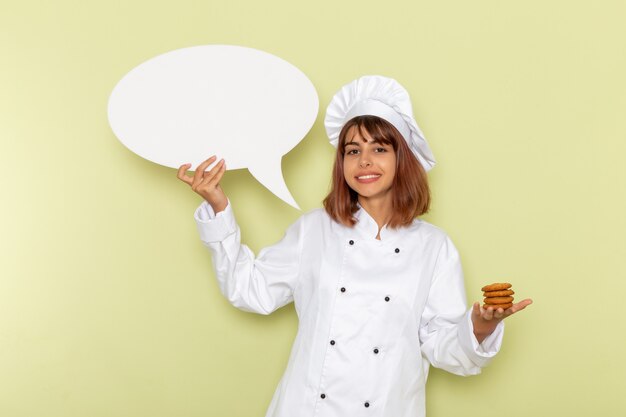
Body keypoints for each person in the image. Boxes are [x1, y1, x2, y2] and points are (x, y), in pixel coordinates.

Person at [177, 75, 532, 417]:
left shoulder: (433, 247)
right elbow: (250, 290)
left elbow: (441, 346)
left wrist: (480, 326)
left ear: (401, 159)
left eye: (379, 148)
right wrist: (220, 207)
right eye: (352, 150)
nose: (364, 161)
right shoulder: (315, 230)